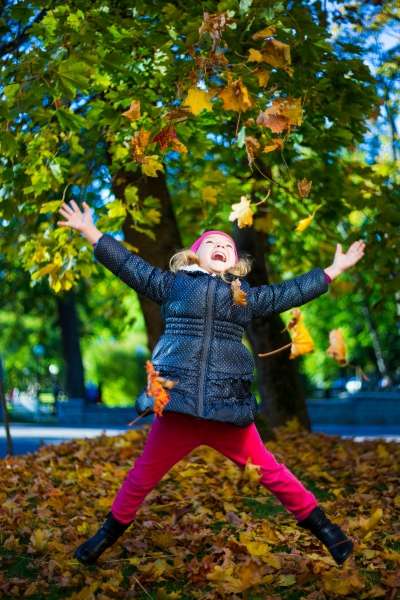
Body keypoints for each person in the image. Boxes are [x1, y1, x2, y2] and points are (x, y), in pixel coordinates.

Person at [57, 199, 365, 567]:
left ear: (235, 262)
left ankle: (329, 532)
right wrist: (92, 233)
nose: (220, 248)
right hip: (179, 407)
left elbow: (288, 293)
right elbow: (131, 267)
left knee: (272, 472)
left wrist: (333, 270)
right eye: (211, 244)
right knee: (140, 478)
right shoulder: (172, 286)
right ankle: (105, 536)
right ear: (193, 256)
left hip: (226, 409)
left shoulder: (244, 296)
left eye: (227, 247)